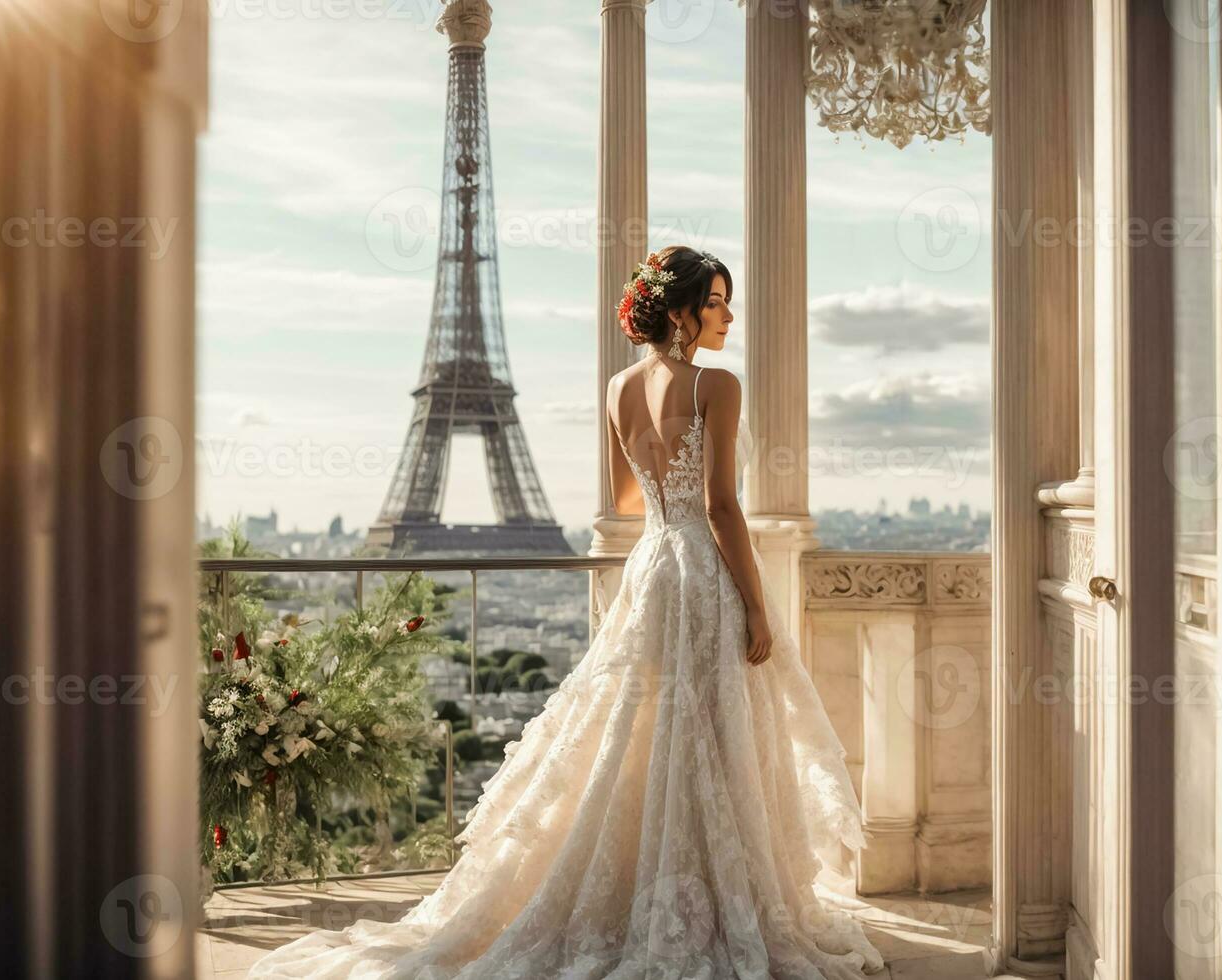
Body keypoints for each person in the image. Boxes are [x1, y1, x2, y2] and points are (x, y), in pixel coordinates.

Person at [250, 245, 883, 979]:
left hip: (652, 566)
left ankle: (639, 891)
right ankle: (709, 893)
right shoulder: (717, 384)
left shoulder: (618, 387)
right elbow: (720, 505)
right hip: (702, 576)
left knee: (644, 729)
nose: (727, 315)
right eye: (715, 301)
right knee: (709, 731)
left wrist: (661, 490)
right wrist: (757, 608)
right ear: (678, 312)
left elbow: (622, 501)